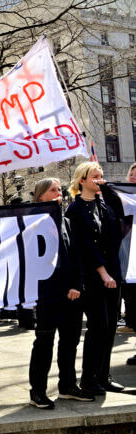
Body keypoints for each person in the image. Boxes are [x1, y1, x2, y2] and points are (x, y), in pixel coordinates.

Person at [28, 178, 94, 409]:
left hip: (72, 295)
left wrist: (76, 285)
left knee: (70, 342)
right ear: (40, 196)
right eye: (52, 190)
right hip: (48, 295)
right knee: (44, 343)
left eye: (59, 190)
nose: (59, 193)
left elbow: (75, 257)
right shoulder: (32, 224)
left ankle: (67, 386)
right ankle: (37, 391)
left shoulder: (66, 221)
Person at [66, 162, 124, 395]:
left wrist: (106, 188)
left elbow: (120, 215)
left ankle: (103, 375)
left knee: (110, 327)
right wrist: (102, 272)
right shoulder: (75, 209)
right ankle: (88, 378)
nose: (99, 179)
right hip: (92, 277)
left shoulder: (104, 204)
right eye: (95, 176)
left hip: (113, 273)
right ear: (82, 180)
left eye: (101, 176)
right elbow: (85, 246)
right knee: (98, 326)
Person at [117, 162, 136, 334]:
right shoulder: (121, 197)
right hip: (125, 247)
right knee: (128, 288)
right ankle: (130, 321)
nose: (133, 177)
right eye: (131, 174)